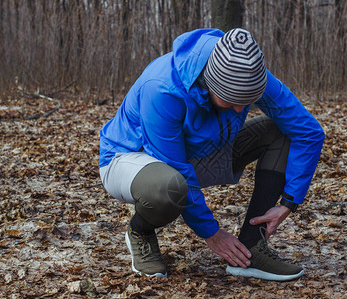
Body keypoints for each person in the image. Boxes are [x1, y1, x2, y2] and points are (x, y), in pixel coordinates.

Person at [99, 28, 324, 281]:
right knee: (168, 187)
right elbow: (176, 166)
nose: (240, 108)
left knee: (281, 132)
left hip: (197, 152)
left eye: (247, 101)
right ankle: (140, 231)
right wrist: (212, 234)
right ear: (209, 83)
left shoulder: (246, 69)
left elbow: (308, 131)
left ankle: (251, 250)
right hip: (130, 159)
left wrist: (288, 203)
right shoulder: (162, 88)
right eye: (231, 100)